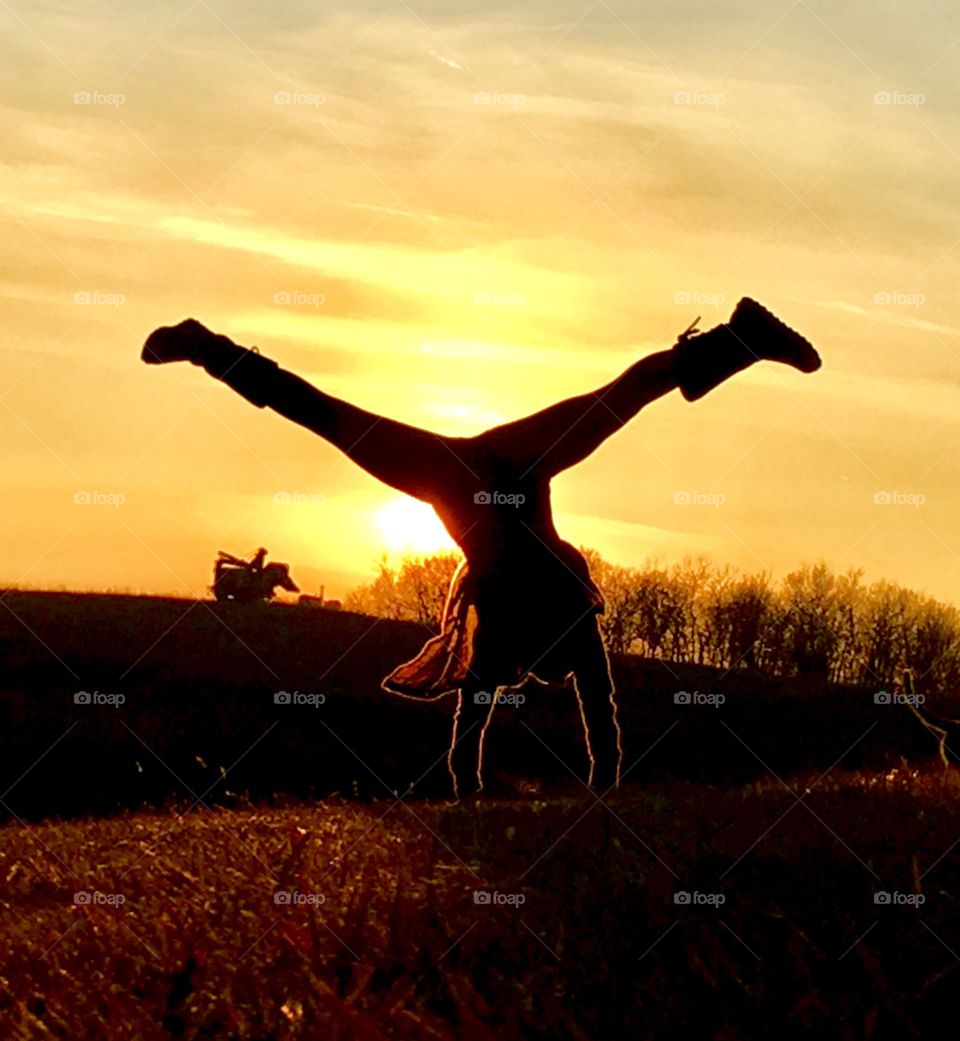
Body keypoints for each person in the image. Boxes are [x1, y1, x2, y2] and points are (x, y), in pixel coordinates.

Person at [141, 298, 821, 797]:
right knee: (330, 417)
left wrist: (499, 793)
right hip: (480, 471)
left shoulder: (532, 626)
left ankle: (740, 336)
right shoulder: (540, 627)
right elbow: (560, 719)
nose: (552, 676)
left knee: (617, 399)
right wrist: (597, 790)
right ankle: (740, 337)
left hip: (484, 468)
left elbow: (571, 716)